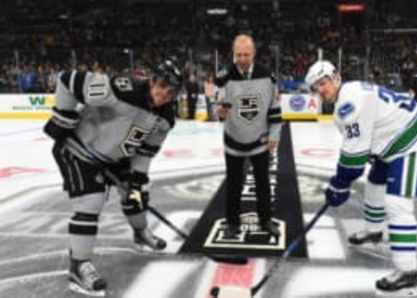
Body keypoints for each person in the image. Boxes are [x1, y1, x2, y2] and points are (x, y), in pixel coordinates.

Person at [43, 60, 182, 296]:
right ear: (152, 80)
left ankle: (141, 234)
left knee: (136, 195)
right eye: (161, 86)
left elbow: (145, 152)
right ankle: (79, 266)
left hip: (115, 158)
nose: (164, 95)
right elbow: (67, 79)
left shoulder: (166, 117)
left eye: (171, 92)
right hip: (79, 150)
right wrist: (63, 117)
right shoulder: (121, 87)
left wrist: (137, 179)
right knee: (91, 201)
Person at [305, 60, 417, 296]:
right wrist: (342, 181)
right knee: (375, 183)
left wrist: (339, 184)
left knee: (398, 205)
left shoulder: (347, 103)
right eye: (316, 87)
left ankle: (407, 273)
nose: (320, 89)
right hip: (392, 142)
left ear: (336, 78)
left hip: (412, 143)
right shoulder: (348, 94)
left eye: (323, 83)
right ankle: (374, 230)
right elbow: (360, 147)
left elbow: (353, 161)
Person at [215, 34, 282, 238]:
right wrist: (218, 112)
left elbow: (275, 108)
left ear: (253, 53)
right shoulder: (223, 77)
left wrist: (274, 134)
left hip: (260, 140)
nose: (242, 59)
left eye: (246, 54)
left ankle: (266, 220)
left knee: (263, 183)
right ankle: (233, 223)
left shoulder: (267, 76)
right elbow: (217, 110)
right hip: (233, 139)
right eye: (238, 55)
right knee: (234, 184)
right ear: (233, 54)